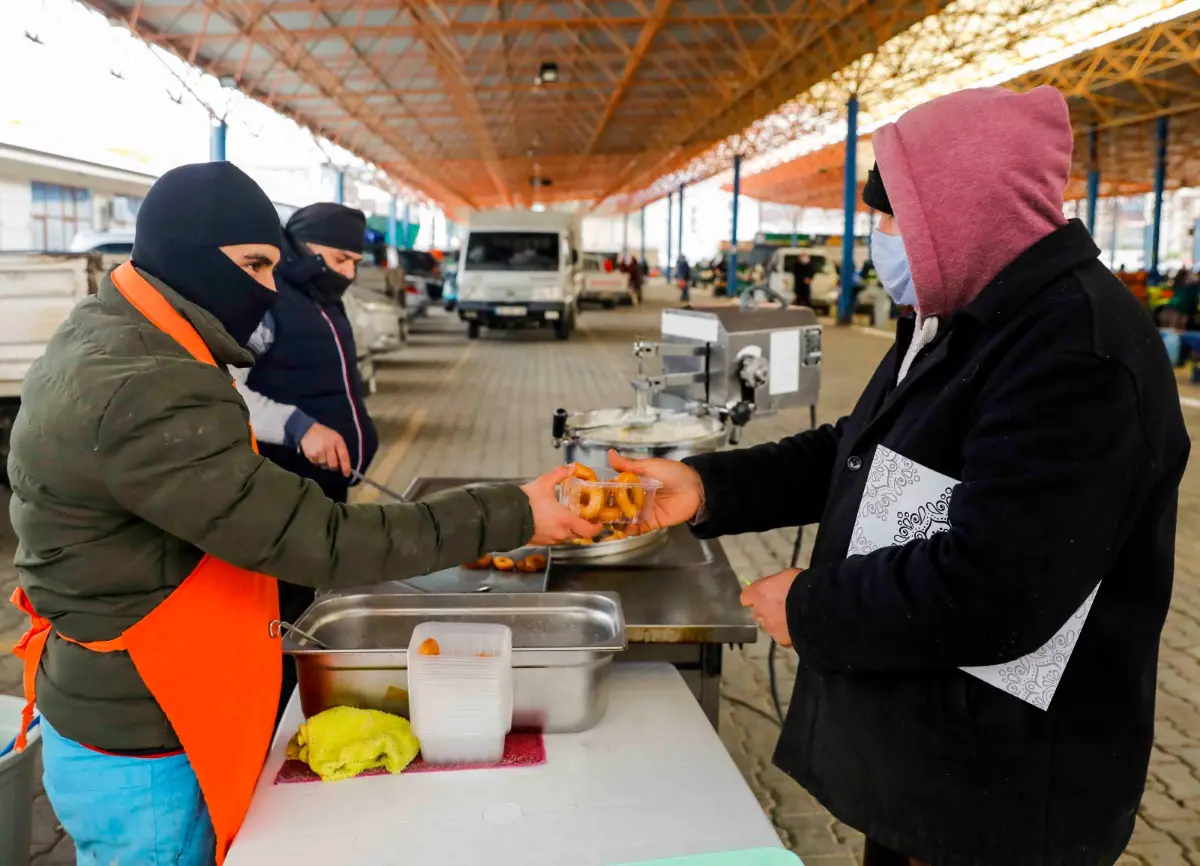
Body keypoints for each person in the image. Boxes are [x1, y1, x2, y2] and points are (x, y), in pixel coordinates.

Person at [608, 86, 1189, 866]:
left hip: (1003, 796)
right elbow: (861, 447)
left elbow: (999, 589)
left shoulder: (1075, 354)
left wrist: (813, 608)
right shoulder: (965, 313)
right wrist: (709, 488)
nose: (879, 241)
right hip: (936, 758)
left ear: (964, 211)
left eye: (892, 219)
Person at [7, 161, 599, 866]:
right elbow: (319, 541)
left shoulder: (116, 331)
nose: (266, 290)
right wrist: (515, 511)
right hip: (146, 738)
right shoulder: (149, 384)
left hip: (128, 705)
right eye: (254, 265)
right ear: (189, 250)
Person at [227, 202, 376, 727]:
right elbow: (228, 390)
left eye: (356, 261)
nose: (349, 273)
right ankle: (281, 713)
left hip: (328, 485)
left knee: (314, 594)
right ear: (307, 247)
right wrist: (297, 426)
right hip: (284, 487)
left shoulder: (322, 297)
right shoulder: (266, 304)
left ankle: (309, 698)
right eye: (341, 258)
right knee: (286, 606)